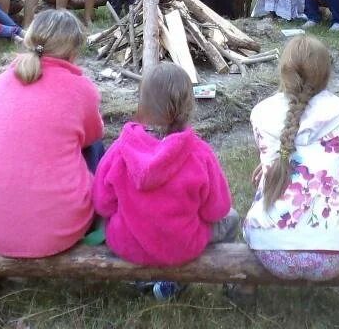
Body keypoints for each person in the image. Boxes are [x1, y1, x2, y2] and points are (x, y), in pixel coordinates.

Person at [240, 36, 339, 319]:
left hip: (270, 251)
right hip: (335, 254)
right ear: (325, 72)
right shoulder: (338, 110)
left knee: (256, 220)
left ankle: (243, 291)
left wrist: (268, 165)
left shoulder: (261, 112)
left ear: (284, 71)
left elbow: (275, 155)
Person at [0, 10, 104, 257]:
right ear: (73, 52)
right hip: (60, 228)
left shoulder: (0, 82)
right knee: (95, 147)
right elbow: (93, 135)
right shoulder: (81, 88)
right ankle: (100, 213)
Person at [94, 62, 236, 278]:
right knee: (233, 218)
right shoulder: (200, 153)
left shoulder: (119, 150)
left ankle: (142, 281)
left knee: (104, 221)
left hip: (127, 245)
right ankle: (230, 281)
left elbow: (103, 204)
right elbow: (217, 210)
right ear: (187, 105)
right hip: (182, 247)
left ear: (142, 103)